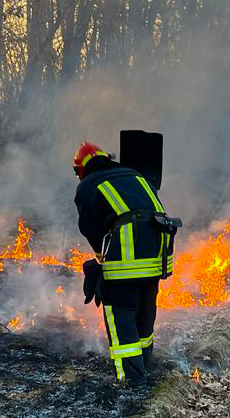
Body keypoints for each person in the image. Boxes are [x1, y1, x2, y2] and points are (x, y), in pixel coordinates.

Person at [72, 141, 177, 383]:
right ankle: (144, 365)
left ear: (82, 168)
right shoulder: (134, 174)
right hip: (157, 255)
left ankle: (131, 381)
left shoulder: (89, 185)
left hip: (127, 258)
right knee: (144, 310)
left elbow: (89, 227)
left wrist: (101, 259)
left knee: (121, 313)